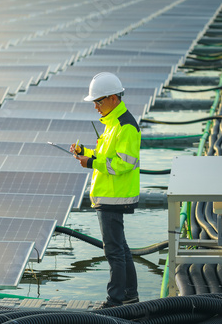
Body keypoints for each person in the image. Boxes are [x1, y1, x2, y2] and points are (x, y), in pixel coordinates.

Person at [70, 72, 140, 308]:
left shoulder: (125, 126)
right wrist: (85, 153)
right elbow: (104, 157)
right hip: (110, 195)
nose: (96, 107)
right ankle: (130, 295)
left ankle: (115, 301)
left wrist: (91, 163)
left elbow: (123, 164)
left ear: (113, 98)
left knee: (114, 251)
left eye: (98, 101)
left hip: (114, 197)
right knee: (121, 248)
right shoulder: (113, 123)